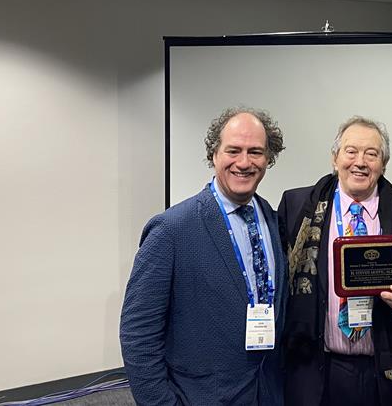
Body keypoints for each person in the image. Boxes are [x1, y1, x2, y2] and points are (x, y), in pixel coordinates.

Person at [120, 107, 287, 406]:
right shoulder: (171, 230)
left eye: (256, 152)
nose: (244, 163)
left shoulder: (275, 222)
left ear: (268, 158)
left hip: (267, 393)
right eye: (233, 150)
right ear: (214, 155)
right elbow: (138, 333)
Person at [279, 116, 392, 406]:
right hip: (317, 372)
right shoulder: (296, 208)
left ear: (384, 164)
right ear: (335, 158)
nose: (360, 162)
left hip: (390, 376)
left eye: (372, 154)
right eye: (350, 151)